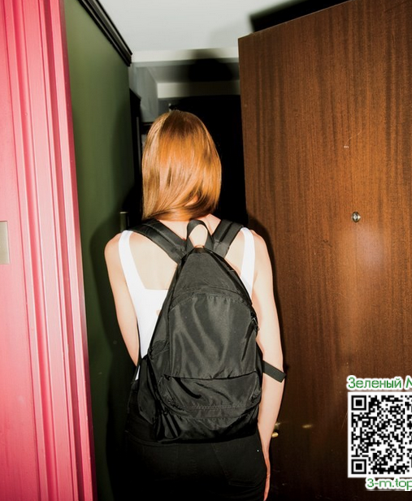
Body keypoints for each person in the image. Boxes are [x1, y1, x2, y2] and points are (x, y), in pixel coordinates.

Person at [105, 110, 284, 501]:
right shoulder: (251, 245)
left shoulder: (120, 250)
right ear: (210, 164)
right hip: (236, 443)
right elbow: (274, 363)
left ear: (153, 168)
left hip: (157, 441)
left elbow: (143, 356)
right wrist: (260, 446)